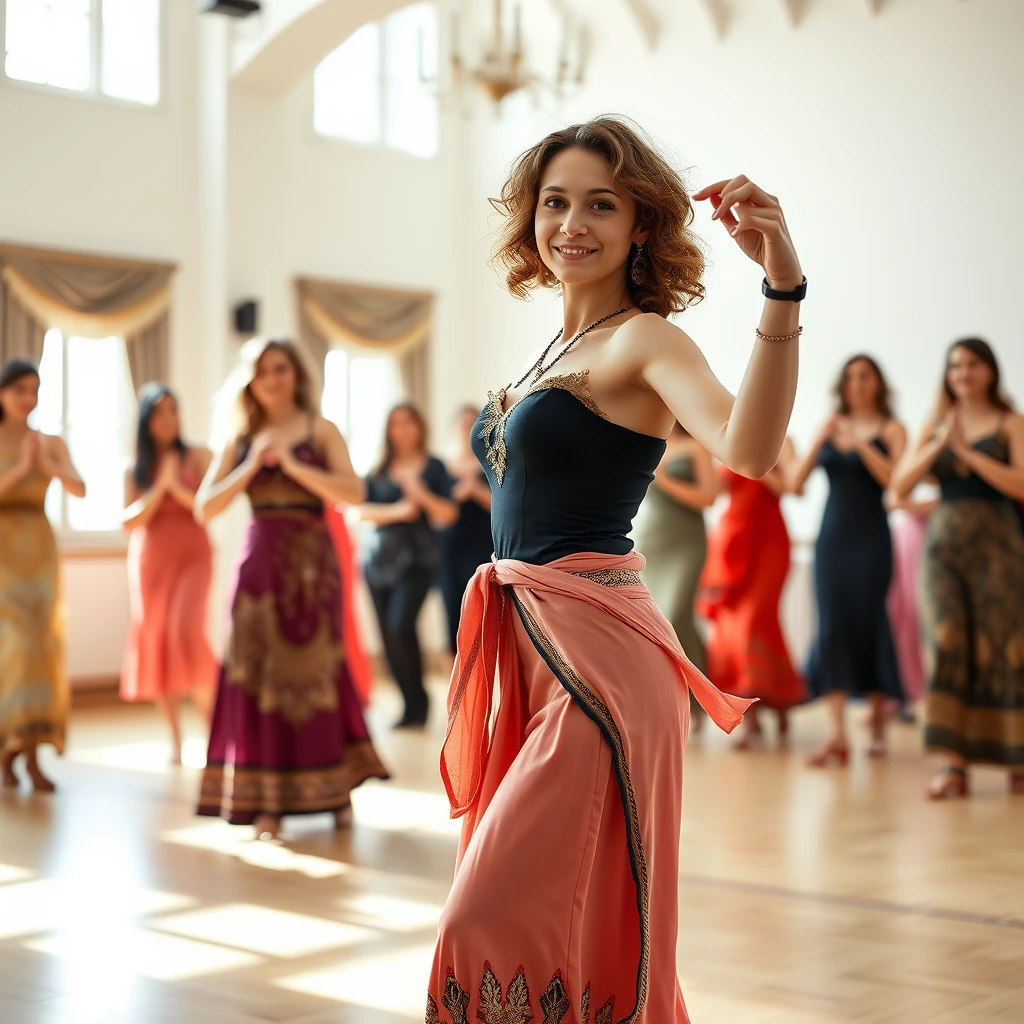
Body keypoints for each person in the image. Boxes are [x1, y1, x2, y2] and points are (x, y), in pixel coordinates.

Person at [427, 116, 802, 1023]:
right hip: (528, 649)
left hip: (599, 659)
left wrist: (782, 281)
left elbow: (752, 448)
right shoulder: (551, 351)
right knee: (552, 906)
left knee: (494, 904)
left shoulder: (647, 342)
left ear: (642, 226)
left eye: (602, 203)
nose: (572, 223)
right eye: (555, 201)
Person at [194, 338, 389, 840]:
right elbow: (205, 507)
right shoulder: (240, 436)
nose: (273, 379)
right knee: (257, 675)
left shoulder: (318, 428)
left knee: (316, 672)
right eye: (262, 372)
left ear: (296, 374)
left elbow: (354, 492)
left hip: (311, 564)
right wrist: (251, 465)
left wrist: (296, 465)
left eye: (280, 369)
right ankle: (265, 802)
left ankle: (335, 789)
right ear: (250, 381)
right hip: (258, 568)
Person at [891, 338, 1024, 799]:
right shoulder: (936, 422)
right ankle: (953, 763)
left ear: (990, 370)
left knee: (1001, 647)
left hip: (999, 547)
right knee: (946, 640)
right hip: (944, 546)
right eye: (955, 366)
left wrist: (967, 455)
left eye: (971, 364)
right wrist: (940, 445)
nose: (962, 373)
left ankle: (1015, 755)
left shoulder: (1011, 422)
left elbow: (1021, 484)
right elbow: (898, 488)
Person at [791, 355, 906, 766]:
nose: (857, 383)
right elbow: (795, 485)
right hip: (832, 541)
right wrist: (822, 440)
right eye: (850, 377)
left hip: (872, 540)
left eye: (865, 376)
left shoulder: (891, 429)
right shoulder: (830, 427)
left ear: (877, 383)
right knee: (833, 626)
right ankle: (838, 733)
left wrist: (859, 444)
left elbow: (897, 483)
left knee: (870, 620)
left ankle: (877, 719)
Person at [0, 358, 86, 792]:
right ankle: (5, 747)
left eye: (34, 390)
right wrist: (20, 468)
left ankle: (30, 753)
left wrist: (46, 464)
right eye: (19, 390)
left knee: (42, 642)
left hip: (39, 546)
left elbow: (80, 487)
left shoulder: (49, 442)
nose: (27, 399)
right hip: (2, 550)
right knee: (11, 645)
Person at [121, 383, 216, 764]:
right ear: (147, 421)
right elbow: (129, 521)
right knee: (157, 639)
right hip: (151, 560)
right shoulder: (136, 469)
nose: (169, 419)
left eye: (173, 410)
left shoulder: (199, 456)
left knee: (185, 632)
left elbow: (208, 508)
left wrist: (176, 487)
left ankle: (215, 732)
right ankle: (175, 741)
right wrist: (159, 489)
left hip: (194, 555)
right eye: (160, 412)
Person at [698, 438, 805, 748]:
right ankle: (756, 716)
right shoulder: (725, 441)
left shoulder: (783, 444)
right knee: (731, 630)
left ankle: (774, 703)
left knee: (754, 623)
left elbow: (789, 487)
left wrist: (754, 464)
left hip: (769, 542)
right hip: (732, 543)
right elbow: (715, 492)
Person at [361, 403, 457, 728]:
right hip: (378, 562)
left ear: (420, 428)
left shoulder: (434, 468)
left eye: (409, 422)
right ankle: (408, 705)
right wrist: (399, 510)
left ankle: (420, 701)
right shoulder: (377, 470)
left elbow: (448, 514)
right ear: (388, 431)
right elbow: (360, 511)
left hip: (418, 561)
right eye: (396, 423)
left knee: (401, 626)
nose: (403, 429)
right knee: (388, 636)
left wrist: (422, 495)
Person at [630, 423, 716, 729]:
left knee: (677, 615)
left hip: (686, 543)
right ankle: (668, 700)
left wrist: (664, 481)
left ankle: (696, 701)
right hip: (652, 539)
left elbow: (709, 497)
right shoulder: (649, 439)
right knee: (656, 624)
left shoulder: (698, 446)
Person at [439, 404, 494, 670]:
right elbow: (436, 510)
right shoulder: (441, 465)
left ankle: (481, 671)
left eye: (474, 423)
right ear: (453, 429)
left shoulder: (492, 461)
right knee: (451, 609)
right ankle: (454, 674)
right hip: (448, 549)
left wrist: (475, 489)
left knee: (481, 609)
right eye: (463, 424)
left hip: (484, 546)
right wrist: (461, 490)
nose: (467, 429)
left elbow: (501, 505)